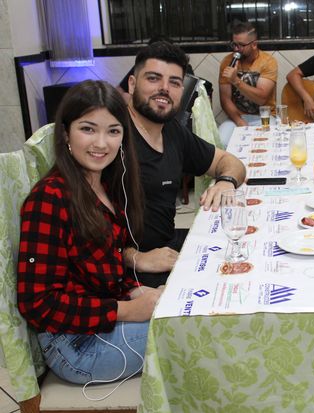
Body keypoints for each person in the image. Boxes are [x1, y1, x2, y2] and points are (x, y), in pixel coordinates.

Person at [17, 80, 163, 385]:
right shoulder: (49, 199)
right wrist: (128, 309)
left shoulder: (107, 184)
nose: (101, 143)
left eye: (113, 131)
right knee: (187, 334)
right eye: (88, 129)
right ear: (65, 133)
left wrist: (137, 292)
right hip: (75, 347)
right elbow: (37, 304)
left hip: (102, 323)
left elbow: (104, 269)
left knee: (187, 313)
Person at [126, 41, 246, 288]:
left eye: (174, 82)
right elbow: (79, 227)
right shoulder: (112, 136)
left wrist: (226, 182)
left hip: (168, 247)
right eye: (153, 78)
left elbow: (230, 162)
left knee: (243, 248)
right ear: (132, 84)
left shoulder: (171, 130)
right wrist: (134, 258)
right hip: (128, 270)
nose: (164, 88)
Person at [218, 22, 278, 147]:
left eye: (241, 45)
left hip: (264, 117)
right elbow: (225, 99)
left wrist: (236, 81)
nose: (236, 49)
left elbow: (261, 98)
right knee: (221, 141)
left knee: (268, 142)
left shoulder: (268, 62)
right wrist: (239, 121)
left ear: (254, 44)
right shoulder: (227, 61)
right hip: (236, 116)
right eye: (234, 44)